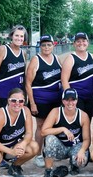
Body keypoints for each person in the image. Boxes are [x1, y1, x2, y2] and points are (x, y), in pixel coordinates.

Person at [0, 88, 39, 177]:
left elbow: (29, 133)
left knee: (34, 147)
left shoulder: (25, 111)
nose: (17, 103)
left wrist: (23, 144)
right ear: (8, 101)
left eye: (21, 101)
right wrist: (11, 151)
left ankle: (14, 167)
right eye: (14, 100)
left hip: (10, 143)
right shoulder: (1, 115)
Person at [26, 34, 62, 168]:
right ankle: (38, 155)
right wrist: (33, 103)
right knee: (41, 126)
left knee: (52, 126)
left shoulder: (57, 59)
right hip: (40, 100)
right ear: (39, 46)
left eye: (49, 44)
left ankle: (49, 152)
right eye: (43, 45)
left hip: (56, 100)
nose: (46, 47)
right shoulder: (36, 60)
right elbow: (28, 84)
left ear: (53, 45)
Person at [41, 88, 90, 177]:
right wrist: (63, 129)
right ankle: (48, 171)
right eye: (67, 99)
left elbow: (87, 139)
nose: (70, 102)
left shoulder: (83, 115)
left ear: (76, 100)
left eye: (73, 99)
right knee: (49, 138)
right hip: (61, 148)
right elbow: (43, 132)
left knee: (82, 161)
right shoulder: (56, 112)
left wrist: (82, 151)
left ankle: (74, 164)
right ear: (63, 101)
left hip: (75, 146)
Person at [61, 32, 93, 120]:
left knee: (87, 122)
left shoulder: (92, 57)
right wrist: (71, 99)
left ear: (88, 42)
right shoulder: (70, 59)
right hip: (77, 98)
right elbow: (64, 80)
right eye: (78, 41)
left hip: (90, 97)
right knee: (77, 122)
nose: (81, 43)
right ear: (74, 44)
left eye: (84, 41)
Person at [0, 25, 27, 110]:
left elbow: (23, 76)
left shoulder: (23, 53)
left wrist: (25, 95)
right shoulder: (3, 49)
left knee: (16, 120)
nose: (19, 38)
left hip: (18, 94)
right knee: (1, 120)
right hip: (3, 93)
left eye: (21, 36)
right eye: (16, 35)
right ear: (11, 36)